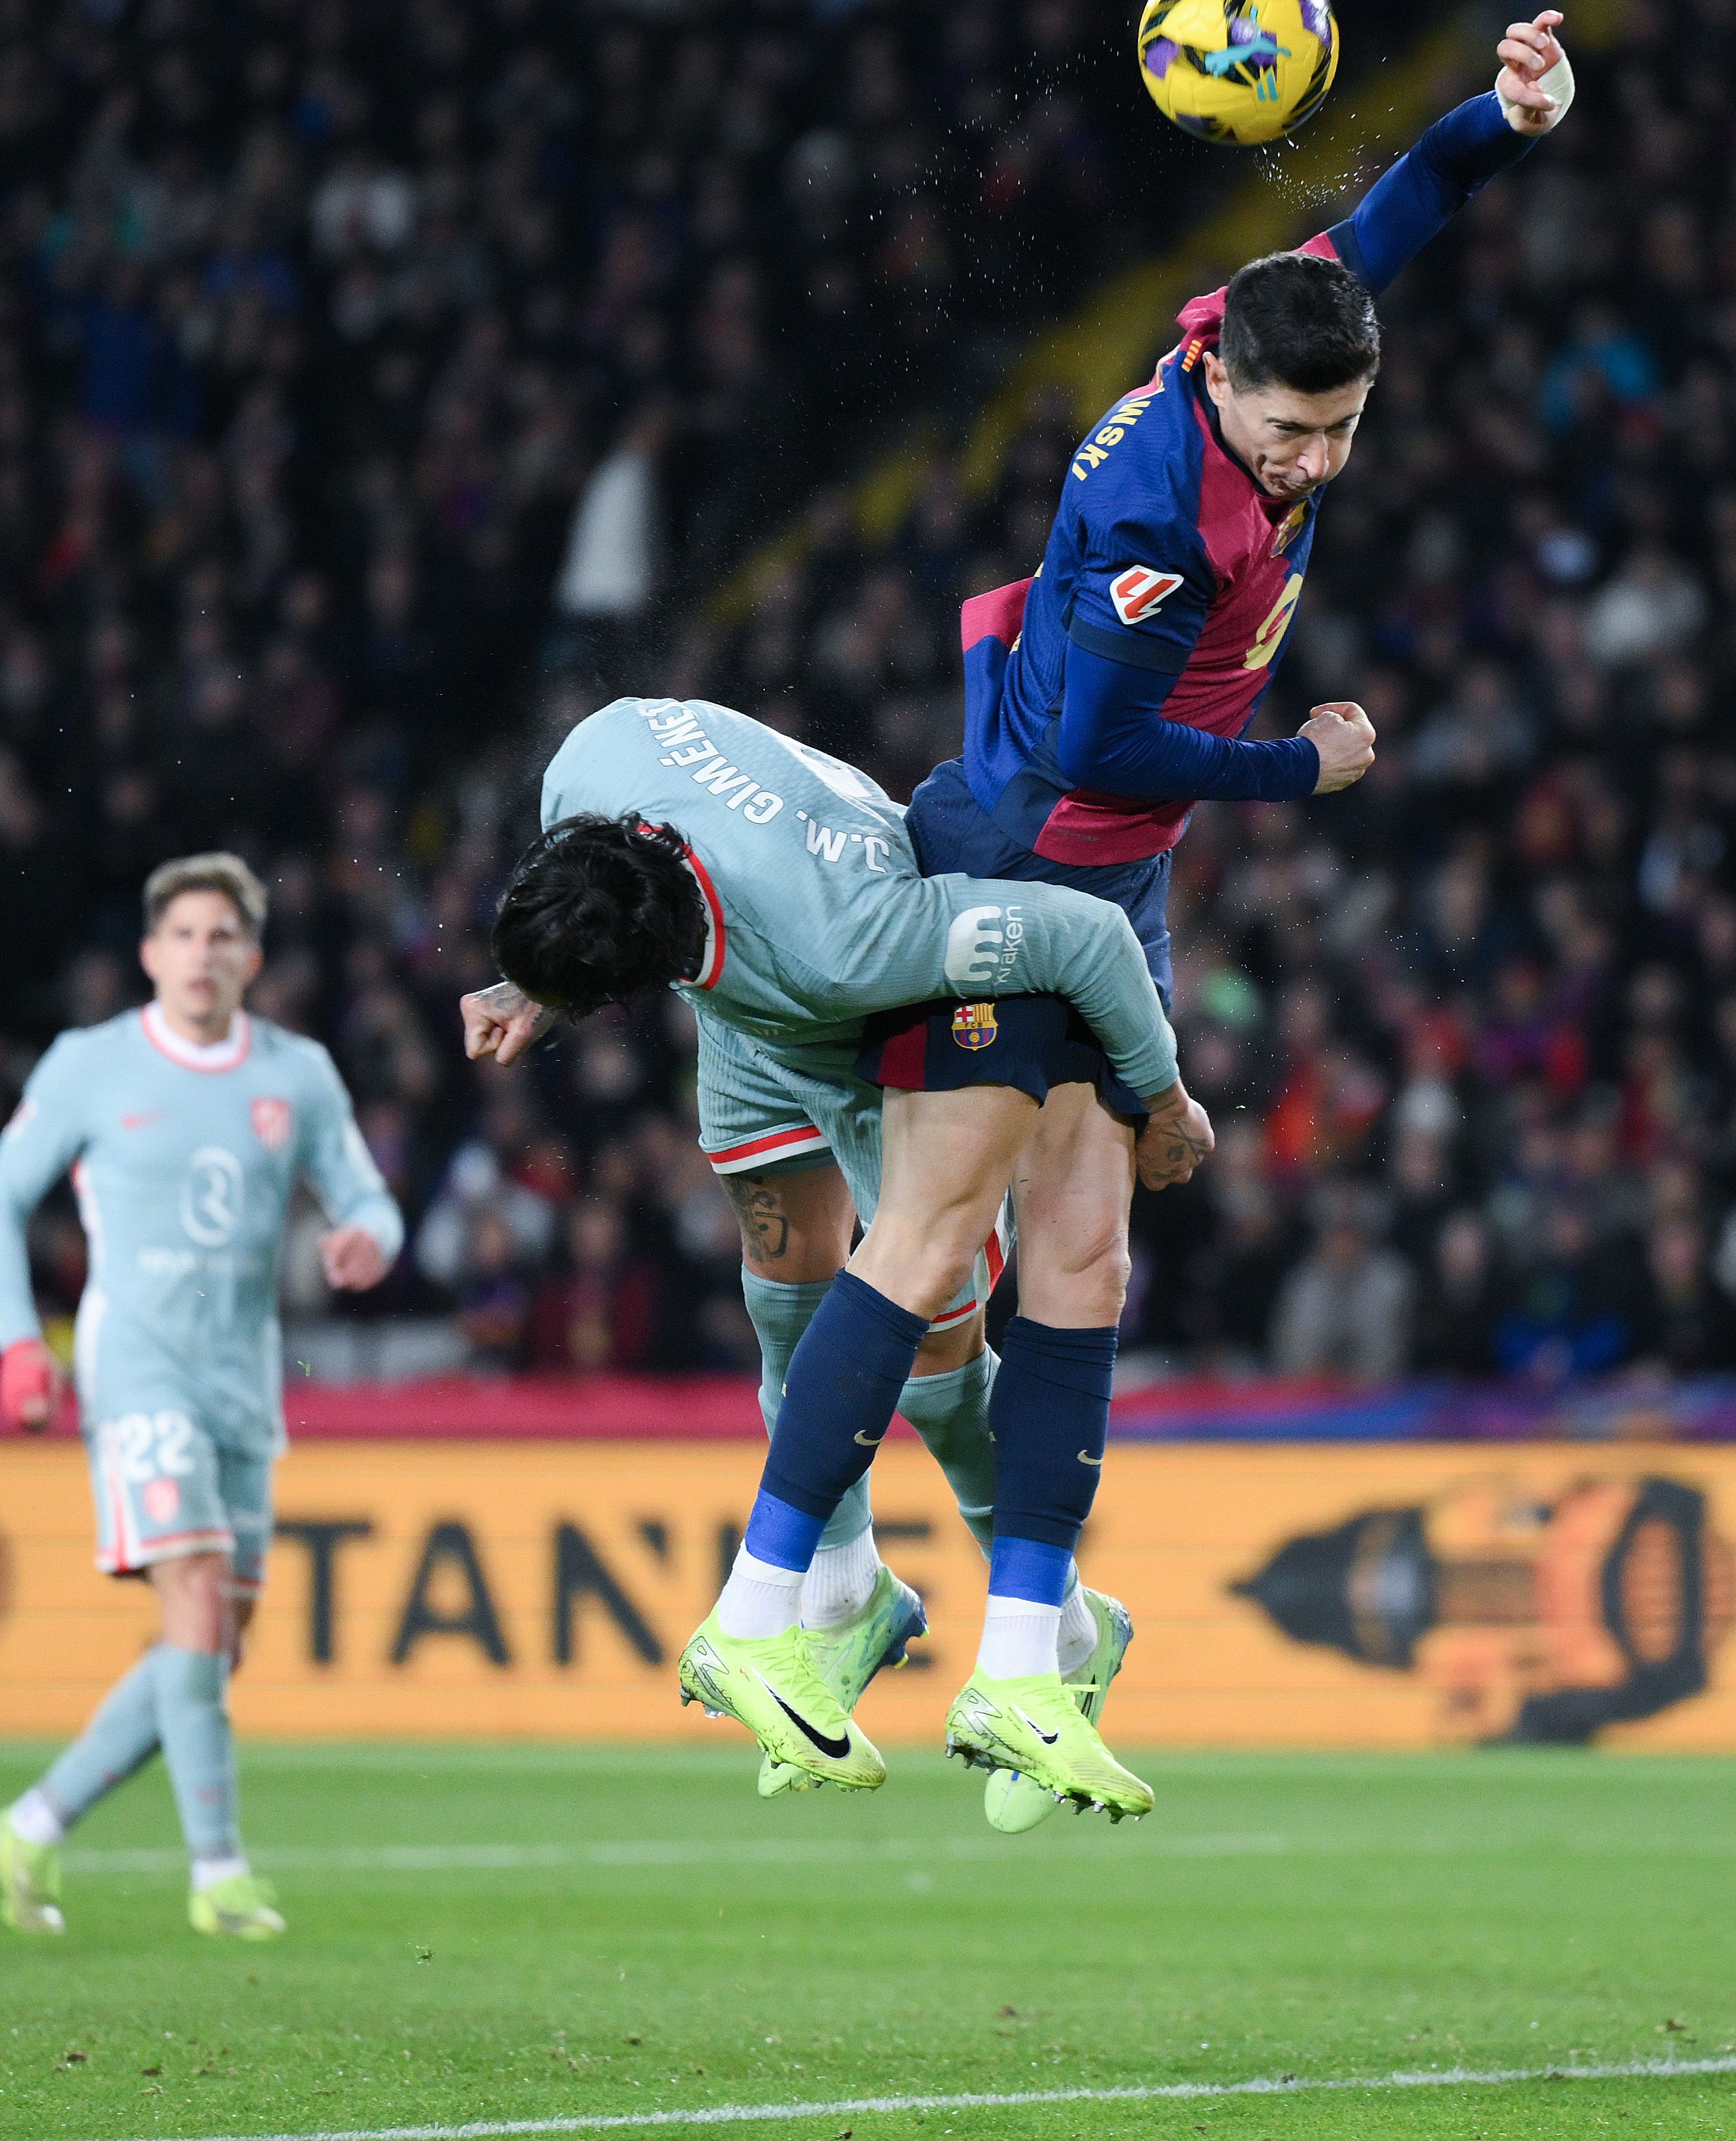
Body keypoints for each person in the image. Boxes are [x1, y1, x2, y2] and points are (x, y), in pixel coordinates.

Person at [901, 6, 1576, 1454]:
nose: (1316, 462)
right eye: (1292, 435)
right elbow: (1100, 752)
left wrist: (1511, 117)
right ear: (1218, 385)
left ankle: (1024, 1555)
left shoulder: (1278, 324)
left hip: (1119, 854)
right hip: (1049, 851)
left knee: (1087, 1243)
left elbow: (1413, 197)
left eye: (1343, 430)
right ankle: (826, 1537)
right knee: (966, 1232)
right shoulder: (1164, 516)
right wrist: (1300, 767)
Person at [461, 694, 1213, 1823]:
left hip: (871, 1029)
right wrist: (540, 980)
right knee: (785, 1306)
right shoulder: (587, 765)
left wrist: (1160, 1098)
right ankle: (850, 1593)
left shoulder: (856, 935)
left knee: (935, 1368)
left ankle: (1062, 1629)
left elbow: (1088, 939)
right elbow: (618, 877)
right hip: (746, 1017)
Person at [0, 853, 403, 1941]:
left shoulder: (297, 1074)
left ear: (252, 957)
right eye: (184, 935)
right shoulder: (91, 1064)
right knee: (198, 1597)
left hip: (243, 1386)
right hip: (137, 1371)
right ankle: (219, 1872)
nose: (203, 954)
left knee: (209, 1646)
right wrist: (18, 1341)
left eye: (223, 936)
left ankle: (30, 1822)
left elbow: (372, 1199)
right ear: (150, 953)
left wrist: (369, 1236)